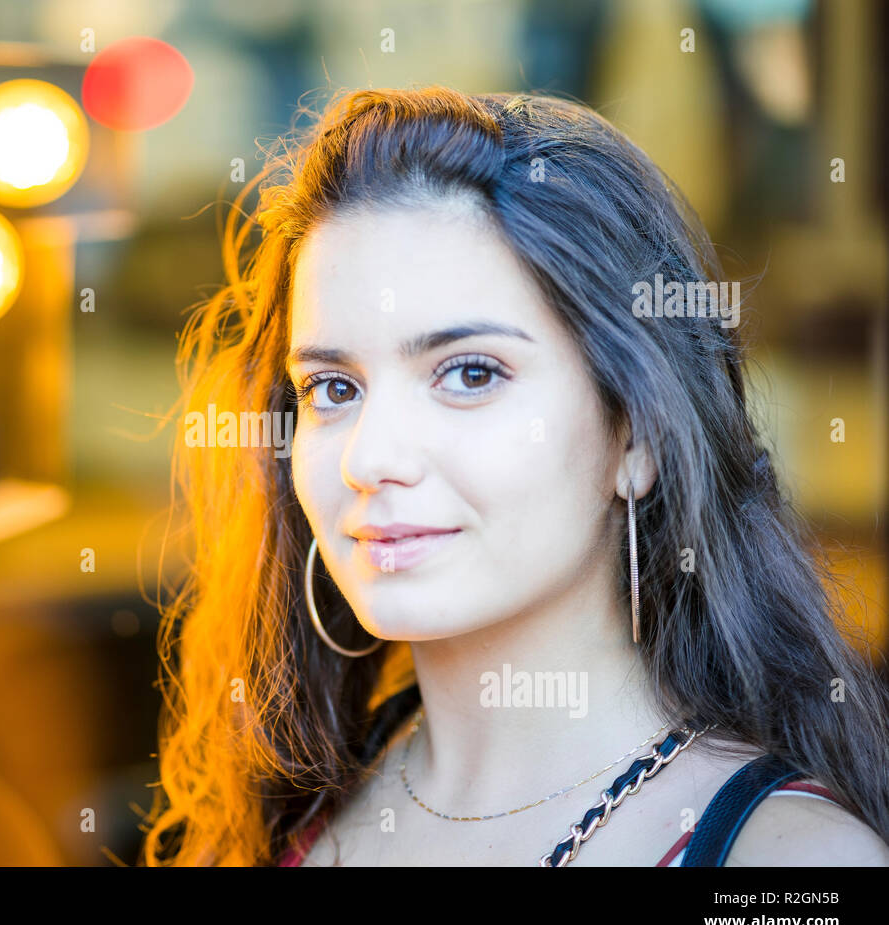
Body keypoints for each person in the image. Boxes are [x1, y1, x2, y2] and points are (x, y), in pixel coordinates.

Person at [140, 86, 889, 866]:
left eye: (469, 374)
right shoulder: (287, 810)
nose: (370, 458)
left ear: (636, 436)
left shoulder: (789, 864)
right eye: (334, 389)